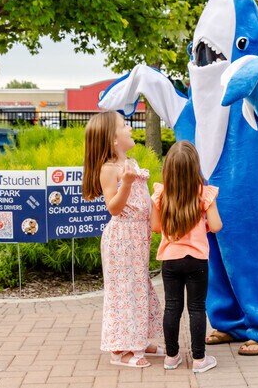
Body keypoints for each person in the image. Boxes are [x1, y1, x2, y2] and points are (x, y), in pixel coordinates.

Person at [81, 110, 163, 369]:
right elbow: (114, 208)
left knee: (138, 288)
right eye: (124, 125)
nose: (129, 128)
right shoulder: (110, 170)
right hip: (122, 238)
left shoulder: (132, 164)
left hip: (138, 237)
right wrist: (126, 183)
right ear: (113, 139)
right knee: (124, 292)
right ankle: (119, 349)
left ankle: (136, 339)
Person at [151, 141, 222, 373]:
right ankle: (199, 360)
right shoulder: (204, 194)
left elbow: (155, 227)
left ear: (168, 168)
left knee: (172, 307)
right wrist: (204, 226)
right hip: (197, 259)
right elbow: (217, 225)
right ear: (195, 167)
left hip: (170, 259)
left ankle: (171, 357)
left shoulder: (161, 194)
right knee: (197, 308)